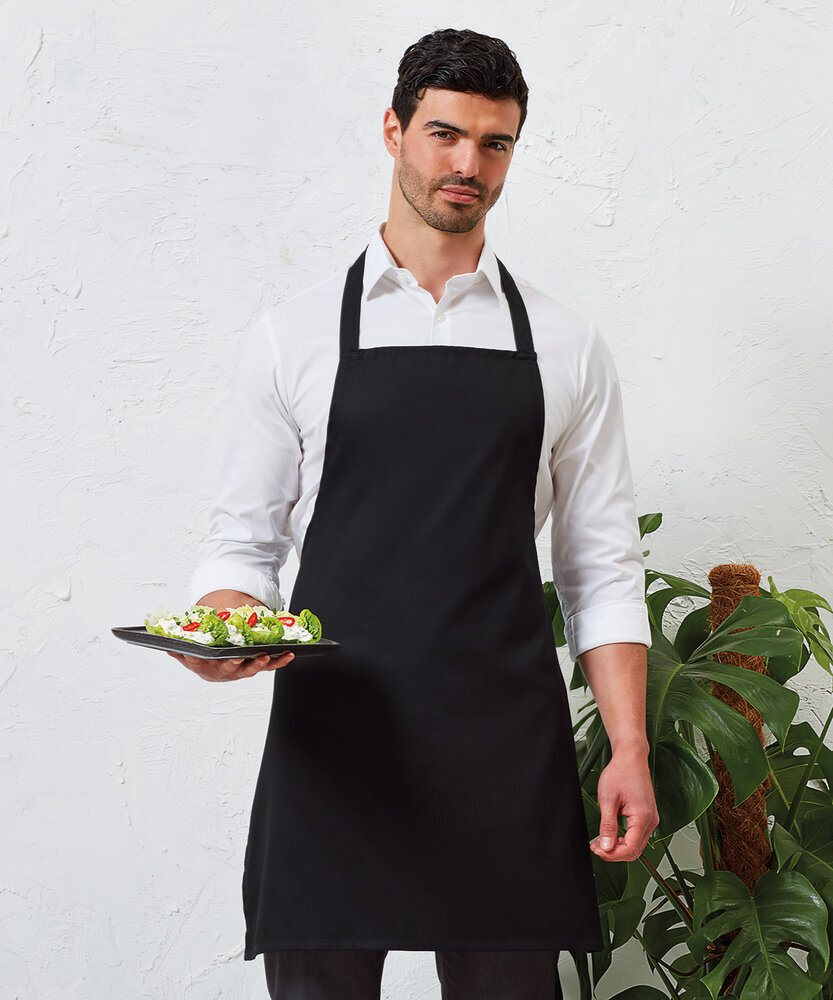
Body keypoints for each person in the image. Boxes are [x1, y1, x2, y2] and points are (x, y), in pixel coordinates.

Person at [167, 27, 659, 1000]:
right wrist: (223, 626)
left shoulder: (566, 345)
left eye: (493, 142)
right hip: (334, 745)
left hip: (501, 750)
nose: (467, 163)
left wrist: (629, 748)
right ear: (393, 131)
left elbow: (600, 569)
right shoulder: (294, 335)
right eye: (443, 134)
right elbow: (242, 545)